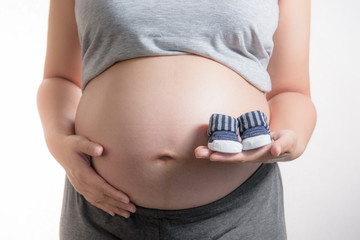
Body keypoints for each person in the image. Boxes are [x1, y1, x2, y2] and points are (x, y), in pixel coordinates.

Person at [37, 0, 316, 239]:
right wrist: (58, 142)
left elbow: (291, 90)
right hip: (103, 209)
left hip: (238, 214)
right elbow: (58, 78)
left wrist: (294, 136)